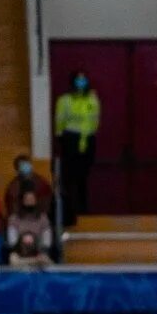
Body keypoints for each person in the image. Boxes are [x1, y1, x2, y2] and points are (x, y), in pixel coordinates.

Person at [54, 70, 101, 224]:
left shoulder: (92, 99)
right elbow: (60, 119)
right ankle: (69, 210)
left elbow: (95, 118)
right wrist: (60, 136)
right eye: (78, 80)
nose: (81, 83)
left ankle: (83, 209)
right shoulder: (65, 100)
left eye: (84, 80)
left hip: (87, 139)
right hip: (70, 139)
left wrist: (89, 136)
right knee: (69, 177)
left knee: (83, 176)